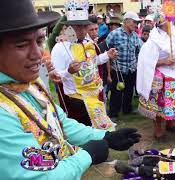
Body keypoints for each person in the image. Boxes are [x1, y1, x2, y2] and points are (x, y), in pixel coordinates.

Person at [0, 0, 141, 179]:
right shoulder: (3, 112)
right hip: (75, 96)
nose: (37, 53)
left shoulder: (31, 84)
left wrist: (104, 136)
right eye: (21, 45)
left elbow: (59, 122)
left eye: (39, 40)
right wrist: (87, 155)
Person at [51, 0, 117, 130]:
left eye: (83, 26)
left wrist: (106, 55)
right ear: (69, 27)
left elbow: (93, 62)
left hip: (95, 94)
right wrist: (69, 71)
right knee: (83, 128)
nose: (81, 30)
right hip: (76, 98)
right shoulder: (60, 47)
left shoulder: (90, 43)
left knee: (99, 128)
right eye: (77, 26)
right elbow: (55, 75)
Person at [137, 12, 175, 139]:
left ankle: (170, 123)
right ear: (160, 24)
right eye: (167, 23)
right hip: (161, 75)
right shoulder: (153, 39)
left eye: (171, 22)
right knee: (160, 103)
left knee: (172, 103)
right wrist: (164, 61)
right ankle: (158, 127)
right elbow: (146, 61)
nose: (170, 25)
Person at [106, 12, 142, 121]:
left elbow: (138, 51)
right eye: (134, 22)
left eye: (137, 22)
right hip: (118, 69)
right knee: (116, 92)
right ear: (126, 21)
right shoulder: (114, 34)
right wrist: (110, 67)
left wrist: (136, 64)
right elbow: (105, 50)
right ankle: (113, 114)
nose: (136, 24)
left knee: (129, 91)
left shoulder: (136, 36)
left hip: (131, 69)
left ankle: (127, 109)